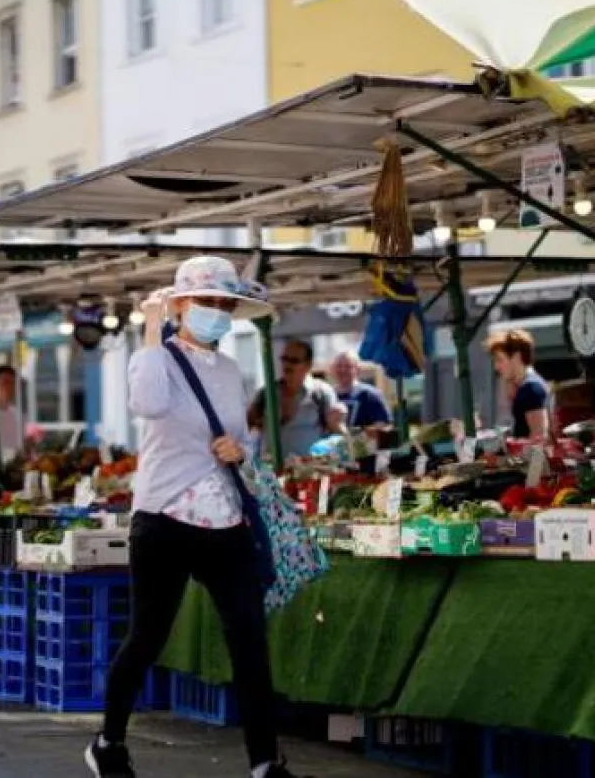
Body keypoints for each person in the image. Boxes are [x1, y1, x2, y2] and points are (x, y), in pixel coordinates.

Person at [87, 256, 300, 778]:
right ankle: (109, 742)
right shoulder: (155, 358)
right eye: (207, 302)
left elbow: (240, 440)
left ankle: (265, 763)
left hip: (225, 521)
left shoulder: (229, 369)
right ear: (182, 303)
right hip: (164, 518)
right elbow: (148, 403)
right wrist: (152, 330)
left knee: (249, 639)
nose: (218, 312)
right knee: (147, 637)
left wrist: (240, 451)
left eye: (225, 304)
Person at [248, 338, 343, 460]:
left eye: (294, 361)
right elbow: (248, 426)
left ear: (308, 365)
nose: (287, 365)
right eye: (284, 359)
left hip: (310, 472)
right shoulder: (266, 393)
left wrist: (337, 424)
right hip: (272, 473)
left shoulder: (321, 393)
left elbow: (336, 433)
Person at [486, 328, 551, 440]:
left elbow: (539, 437)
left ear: (516, 357)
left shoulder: (531, 389)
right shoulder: (526, 387)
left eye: (500, 360)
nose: (496, 367)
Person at [327, 351, 392, 434]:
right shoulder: (327, 395)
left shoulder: (370, 394)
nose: (342, 370)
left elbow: (383, 424)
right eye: (339, 366)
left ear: (357, 370)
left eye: (348, 366)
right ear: (332, 369)